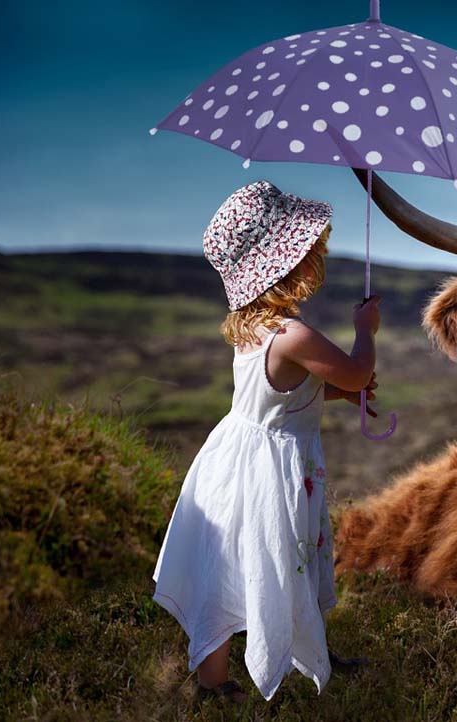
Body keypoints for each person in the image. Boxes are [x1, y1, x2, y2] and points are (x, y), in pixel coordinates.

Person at [152, 180, 380, 703]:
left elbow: (281, 393)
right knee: (282, 557)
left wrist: (342, 397)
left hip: (236, 460)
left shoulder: (251, 329)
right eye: (306, 252)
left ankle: (226, 679)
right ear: (288, 265)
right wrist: (366, 329)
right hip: (273, 472)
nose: (313, 259)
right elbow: (354, 370)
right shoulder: (292, 334)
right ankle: (296, 651)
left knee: (231, 566)